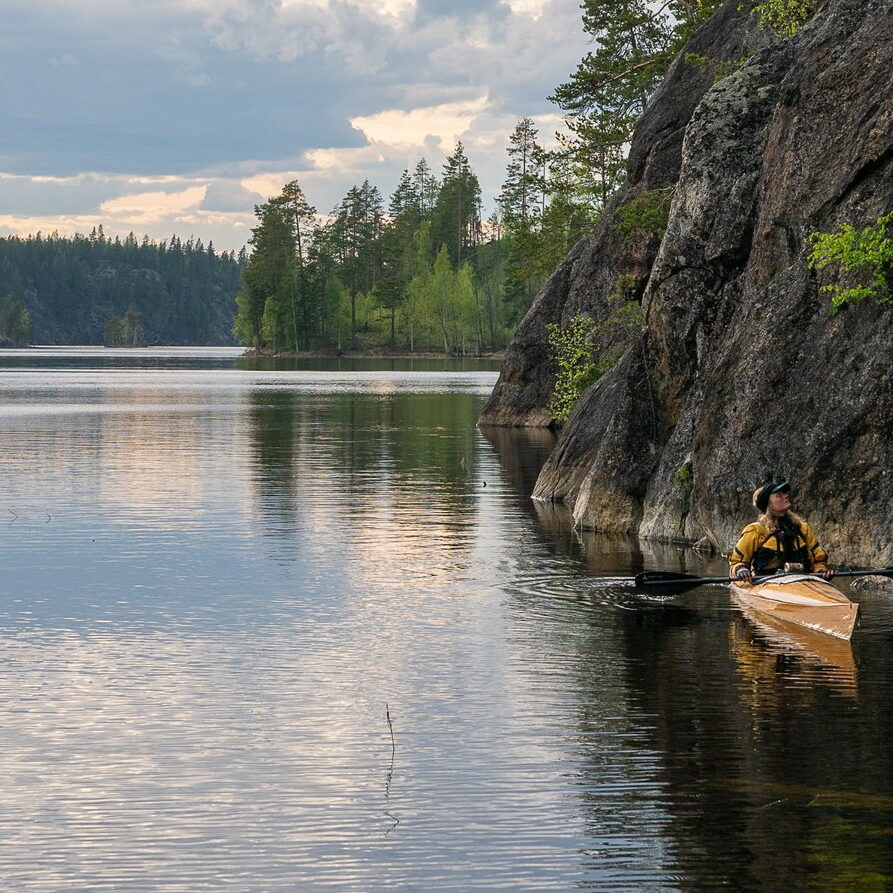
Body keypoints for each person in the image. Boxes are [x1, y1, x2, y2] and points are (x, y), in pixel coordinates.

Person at [728, 481, 834, 581]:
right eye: (779, 495)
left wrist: (821, 571)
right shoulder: (756, 531)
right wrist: (741, 569)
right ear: (769, 505)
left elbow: (819, 560)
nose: (786, 496)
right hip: (765, 583)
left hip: (802, 581)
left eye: (785, 493)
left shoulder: (803, 528)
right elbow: (736, 561)